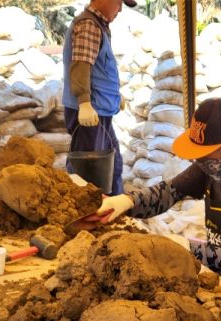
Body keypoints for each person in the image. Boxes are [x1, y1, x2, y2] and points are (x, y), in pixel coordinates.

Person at [95, 97, 221, 296]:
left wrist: (193, 249)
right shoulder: (213, 168)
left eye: (205, 152)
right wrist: (128, 201)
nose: (198, 158)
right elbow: (170, 191)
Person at [62, 0, 137, 195]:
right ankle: (87, 218)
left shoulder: (98, 26)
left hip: (99, 112)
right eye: (119, 3)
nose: (120, 9)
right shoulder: (88, 25)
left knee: (112, 166)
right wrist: (84, 103)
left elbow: (100, 70)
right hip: (89, 115)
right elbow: (81, 66)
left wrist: (113, 95)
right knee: (89, 176)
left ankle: (114, 210)